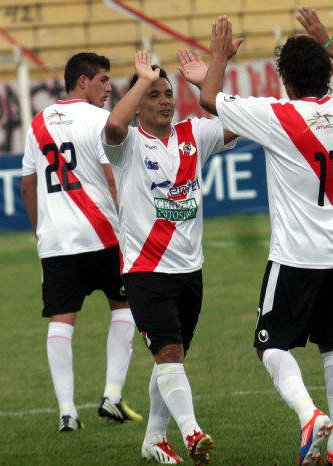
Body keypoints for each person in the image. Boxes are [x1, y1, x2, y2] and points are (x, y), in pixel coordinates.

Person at [200, 7, 333, 466]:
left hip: (297, 256)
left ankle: (308, 416)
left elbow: (210, 101)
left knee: (270, 344)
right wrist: (328, 41)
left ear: (284, 79)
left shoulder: (275, 116)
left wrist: (219, 56)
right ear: (327, 73)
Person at [102, 50, 238, 464]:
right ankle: (192, 431)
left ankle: (153, 440)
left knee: (172, 358)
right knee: (168, 355)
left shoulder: (194, 133)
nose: (164, 100)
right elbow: (112, 124)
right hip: (145, 270)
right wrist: (142, 79)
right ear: (139, 102)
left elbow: (238, 123)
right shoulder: (127, 147)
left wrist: (209, 76)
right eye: (154, 94)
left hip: (190, 270)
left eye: (168, 93)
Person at [21, 52, 142, 432]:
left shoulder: (38, 123)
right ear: (82, 81)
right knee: (124, 306)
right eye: (103, 80)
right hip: (103, 233)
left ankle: (67, 411)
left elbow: (28, 184)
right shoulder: (100, 120)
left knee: (61, 320)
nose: (109, 88)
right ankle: (111, 394)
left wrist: (42, 229)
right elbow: (112, 179)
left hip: (57, 242)